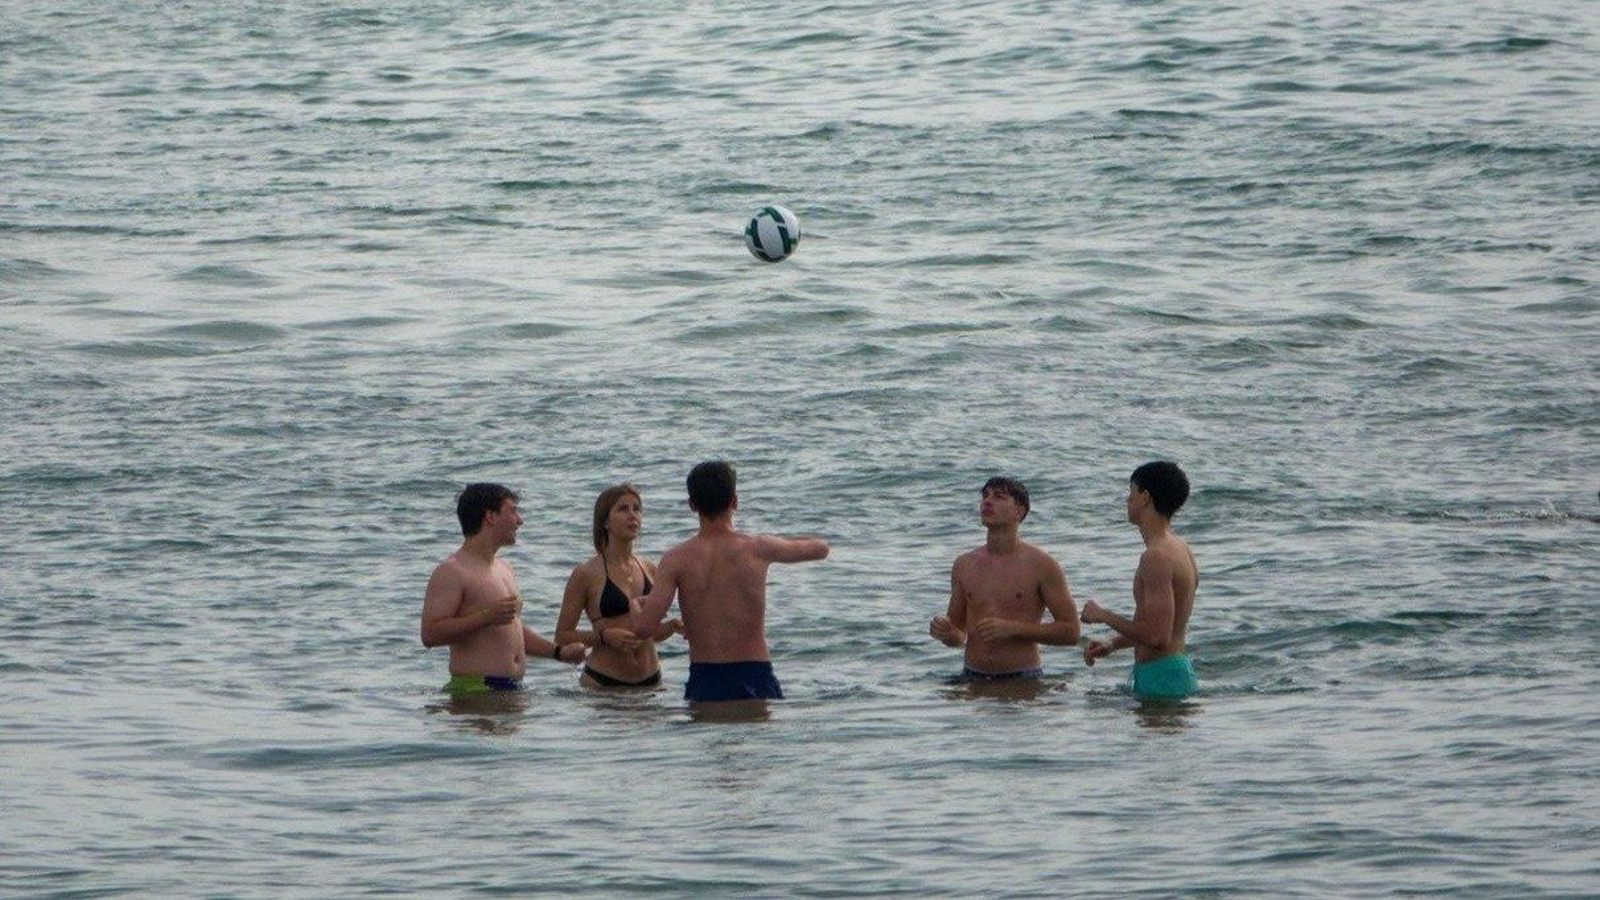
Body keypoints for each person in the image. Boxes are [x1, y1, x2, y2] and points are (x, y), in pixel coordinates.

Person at [629, 461, 829, 705]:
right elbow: (821, 549)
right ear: (735, 501)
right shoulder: (758, 548)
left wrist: (636, 605)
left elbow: (643, 629)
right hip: (755, 671)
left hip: (706, 676)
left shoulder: (676, 559)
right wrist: (777, 541)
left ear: (692, 505)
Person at [421, 483, 585, 695]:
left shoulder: (504, 568)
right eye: (513, 511)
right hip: (475, 690)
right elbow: (430, 634)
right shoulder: (452, 570)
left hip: (513, 688)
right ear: (490, 516)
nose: (520, 520)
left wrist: (558, 652)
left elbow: (511, 627)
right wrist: (485, 617)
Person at [929, 477, 1080, 678]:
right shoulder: (964, 564)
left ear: (1019, 511)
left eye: (998, 496)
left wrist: (1014, 629)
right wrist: (946, 633)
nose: (987, 501)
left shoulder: (1042, 564)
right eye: (985, 496)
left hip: (1023, 679)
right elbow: (958, 634)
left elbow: (1071, 632)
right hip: (972, 679)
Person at [1081, 461, 1200, 700]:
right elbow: (1162, 626)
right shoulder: (1179, 546)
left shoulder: (1156, 556)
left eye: (1131, 492)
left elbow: (1157, 636)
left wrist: (1102, 614)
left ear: (1145, 497)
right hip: (1169, 673)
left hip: (1162, 679)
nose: (1127, 500)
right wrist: (1113, 644)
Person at [554, 484, 683, 690]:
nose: (633, 515)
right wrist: (603, 637)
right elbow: (562, 636)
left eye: (637, 509)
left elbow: (649, 634)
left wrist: (672, 626)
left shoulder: (650, 569)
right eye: (623, 509)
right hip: (603, 681)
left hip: (651, 682)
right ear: (605, 521)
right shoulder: (586, 573)